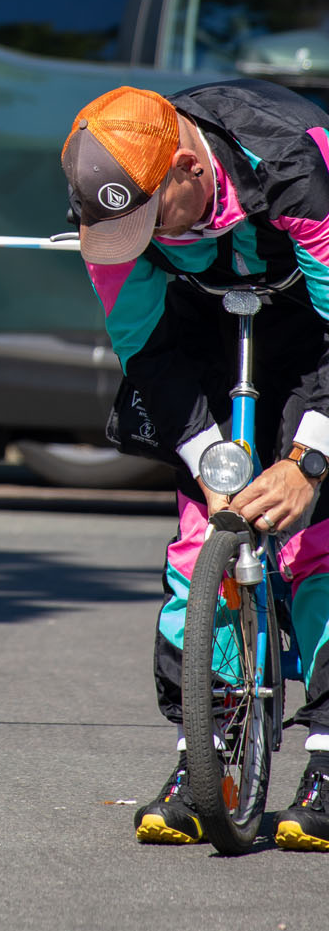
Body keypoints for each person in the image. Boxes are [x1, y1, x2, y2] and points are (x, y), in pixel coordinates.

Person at [61, 80, 329, 850]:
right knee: (195, 539)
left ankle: (328, 764)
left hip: (315, 328)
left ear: (187, 166)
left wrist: (309, 460)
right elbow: (141, 342)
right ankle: (204, 758)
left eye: (152, 219)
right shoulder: (103, 197)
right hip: (206, 323)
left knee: (314, 545)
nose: (136, 237)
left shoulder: (290, 165)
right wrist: (207, 460)